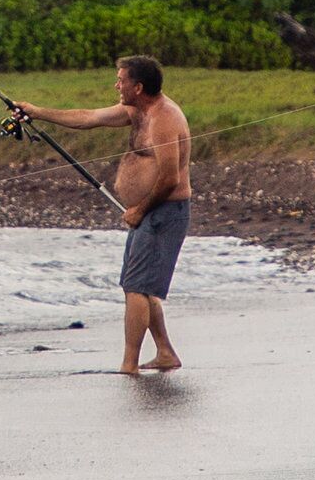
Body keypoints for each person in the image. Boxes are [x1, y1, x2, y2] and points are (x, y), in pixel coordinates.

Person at [11, 56, 193, 375]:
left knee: (136, 288)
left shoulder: (165, 118)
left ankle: (129, 364)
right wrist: (36, 111)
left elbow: (170, 178)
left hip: (163, 211)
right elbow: (87, 117)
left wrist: (139, 209)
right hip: (148, 212)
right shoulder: (135, 111)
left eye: (120, 80)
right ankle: (165, 352)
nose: (116, 85)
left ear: (138, 87)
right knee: (140, 285)